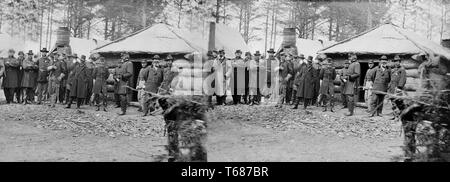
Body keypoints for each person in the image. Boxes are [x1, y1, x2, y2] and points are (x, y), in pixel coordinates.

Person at [388, 55, 407, 120]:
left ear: (400, 62)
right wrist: (389, 86)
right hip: (392, 89)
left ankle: (400, 116)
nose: (396, 63)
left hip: (398, 89)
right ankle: (395, 115)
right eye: (395, 61)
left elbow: (403, 79)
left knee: (398, 102)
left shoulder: (402, 69)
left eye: (397, 61)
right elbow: (391, 79)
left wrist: (399, 87)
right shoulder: (393, 70)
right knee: (393, 102)